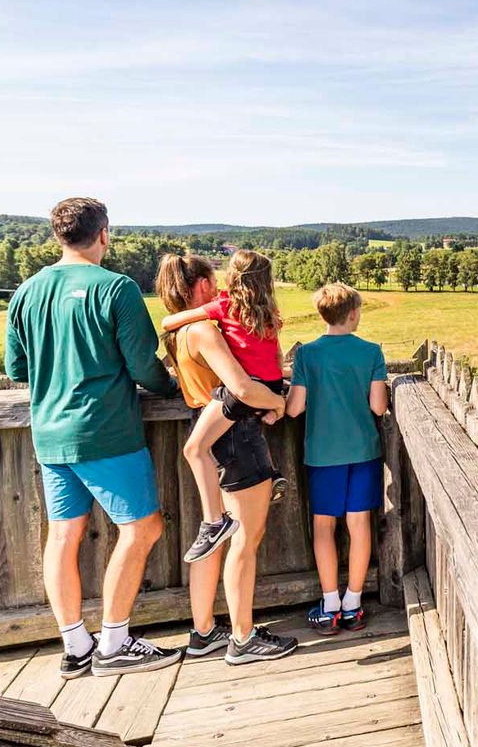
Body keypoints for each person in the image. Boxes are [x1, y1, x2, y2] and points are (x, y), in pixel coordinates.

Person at [5, 197, 181, 678]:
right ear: (104, 234)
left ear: (58, 236)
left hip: (49, 433)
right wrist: (175, 388)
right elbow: (144, 366)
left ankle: (75, 645)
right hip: (105, 430)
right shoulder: (116, 288)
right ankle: (115, 642)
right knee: (142, 528)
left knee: (64, 535)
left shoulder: (27, 291)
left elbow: (17, 367)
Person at [155, 254, 299, 665]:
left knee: (214, 536)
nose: (219, 287)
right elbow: (242, 387)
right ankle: (243, 637)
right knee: (245, 541)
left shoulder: (180, 332)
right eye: (213, 281)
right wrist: (278, 402)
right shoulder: (205, 330)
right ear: (201, 284)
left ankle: (203, 632)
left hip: (208, 426)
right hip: (236, 435)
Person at [155, 250, 287, 563]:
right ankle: (266, 476)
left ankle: (214, 521)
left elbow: (240, 386)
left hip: (237, 402)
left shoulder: (217, 312)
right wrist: (277, 398)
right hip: (262, 393)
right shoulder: (265, 313)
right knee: (246, 541)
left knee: (194, 450)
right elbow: (272, 359)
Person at [285, 282, 389, 633]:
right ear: (354, 313)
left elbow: (294, 408)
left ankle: (330, 604)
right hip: (362, 451)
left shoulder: (307, 354)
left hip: (322, 454)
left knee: (324, 527)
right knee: (359, 525)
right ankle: (353, 604)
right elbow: (379, 406)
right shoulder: (371, 352)